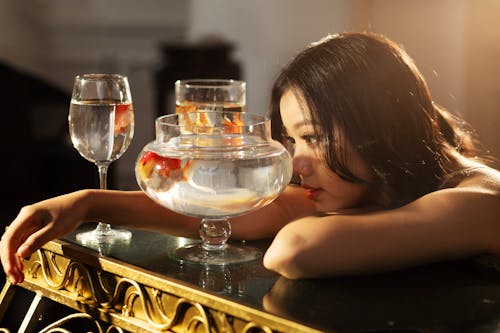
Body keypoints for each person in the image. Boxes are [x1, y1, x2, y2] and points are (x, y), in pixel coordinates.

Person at [2, 32, 500, 283]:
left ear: (380, 127)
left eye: (315, 137)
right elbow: (253, 215)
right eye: (293, 141)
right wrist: (88, 202)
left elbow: (293, 247)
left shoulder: (475, 202)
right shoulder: (384, 189)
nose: (298, 163)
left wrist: (291, 211)